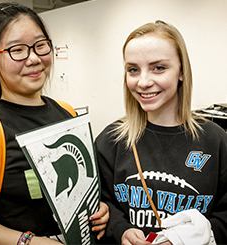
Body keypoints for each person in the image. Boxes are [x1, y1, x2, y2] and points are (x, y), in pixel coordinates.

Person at [0, 2, 109, 245]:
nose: (34, 58)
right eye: (17, 50)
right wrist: (29, 242)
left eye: (40, 46)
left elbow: (84, 186)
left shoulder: (67, 113)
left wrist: (100, 209)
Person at [95, 20, 227, 245]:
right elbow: (102, 205)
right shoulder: (112, 140)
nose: (143, 82)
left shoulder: (215, 141)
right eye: (133, 70)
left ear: (181, 72)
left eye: (159, 68)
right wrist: (122, 230)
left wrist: (189, 239)